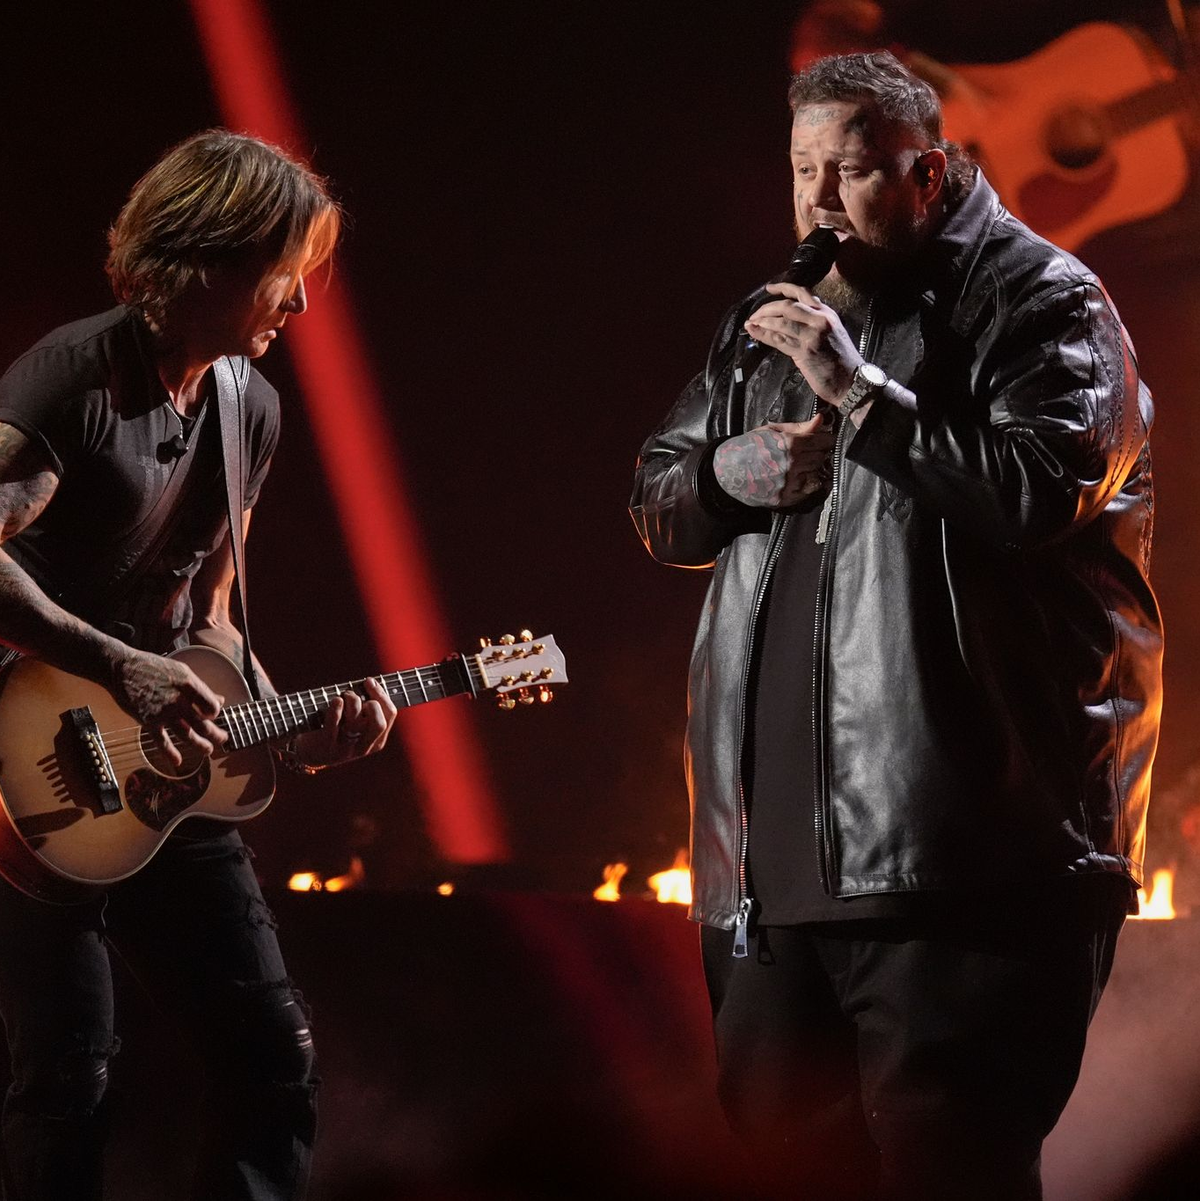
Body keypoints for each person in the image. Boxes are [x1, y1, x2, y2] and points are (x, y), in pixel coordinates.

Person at [630, 52, 1162, 1201]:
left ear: (930, 170)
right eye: (803, 170)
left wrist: (858, 393)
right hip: (770, 881)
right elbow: (660, 498)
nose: (820, 201)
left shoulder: (1046, 301)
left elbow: (1037, 487)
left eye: (854, 171)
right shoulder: (770, 320)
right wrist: (737, 468)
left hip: (963, 868)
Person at [0, 130, 398, 1200]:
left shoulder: (249, 411)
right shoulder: (70, 378)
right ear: (211, 258)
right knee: (64, 1076)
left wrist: (293, 726)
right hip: (24, 772)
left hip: (165, 776)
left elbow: (211, 614)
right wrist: (120, 666)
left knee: (275, 1055)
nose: (301, 307)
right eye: (286, 275)